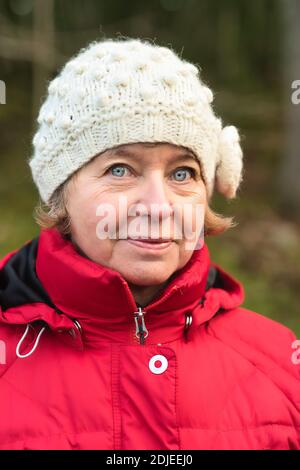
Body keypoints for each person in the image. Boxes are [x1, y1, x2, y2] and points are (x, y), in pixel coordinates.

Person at [0, 37, 299, 451]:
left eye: (182, 174)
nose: (159, 206)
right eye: (120, 169)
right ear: (61, 193)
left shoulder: (283, 365)